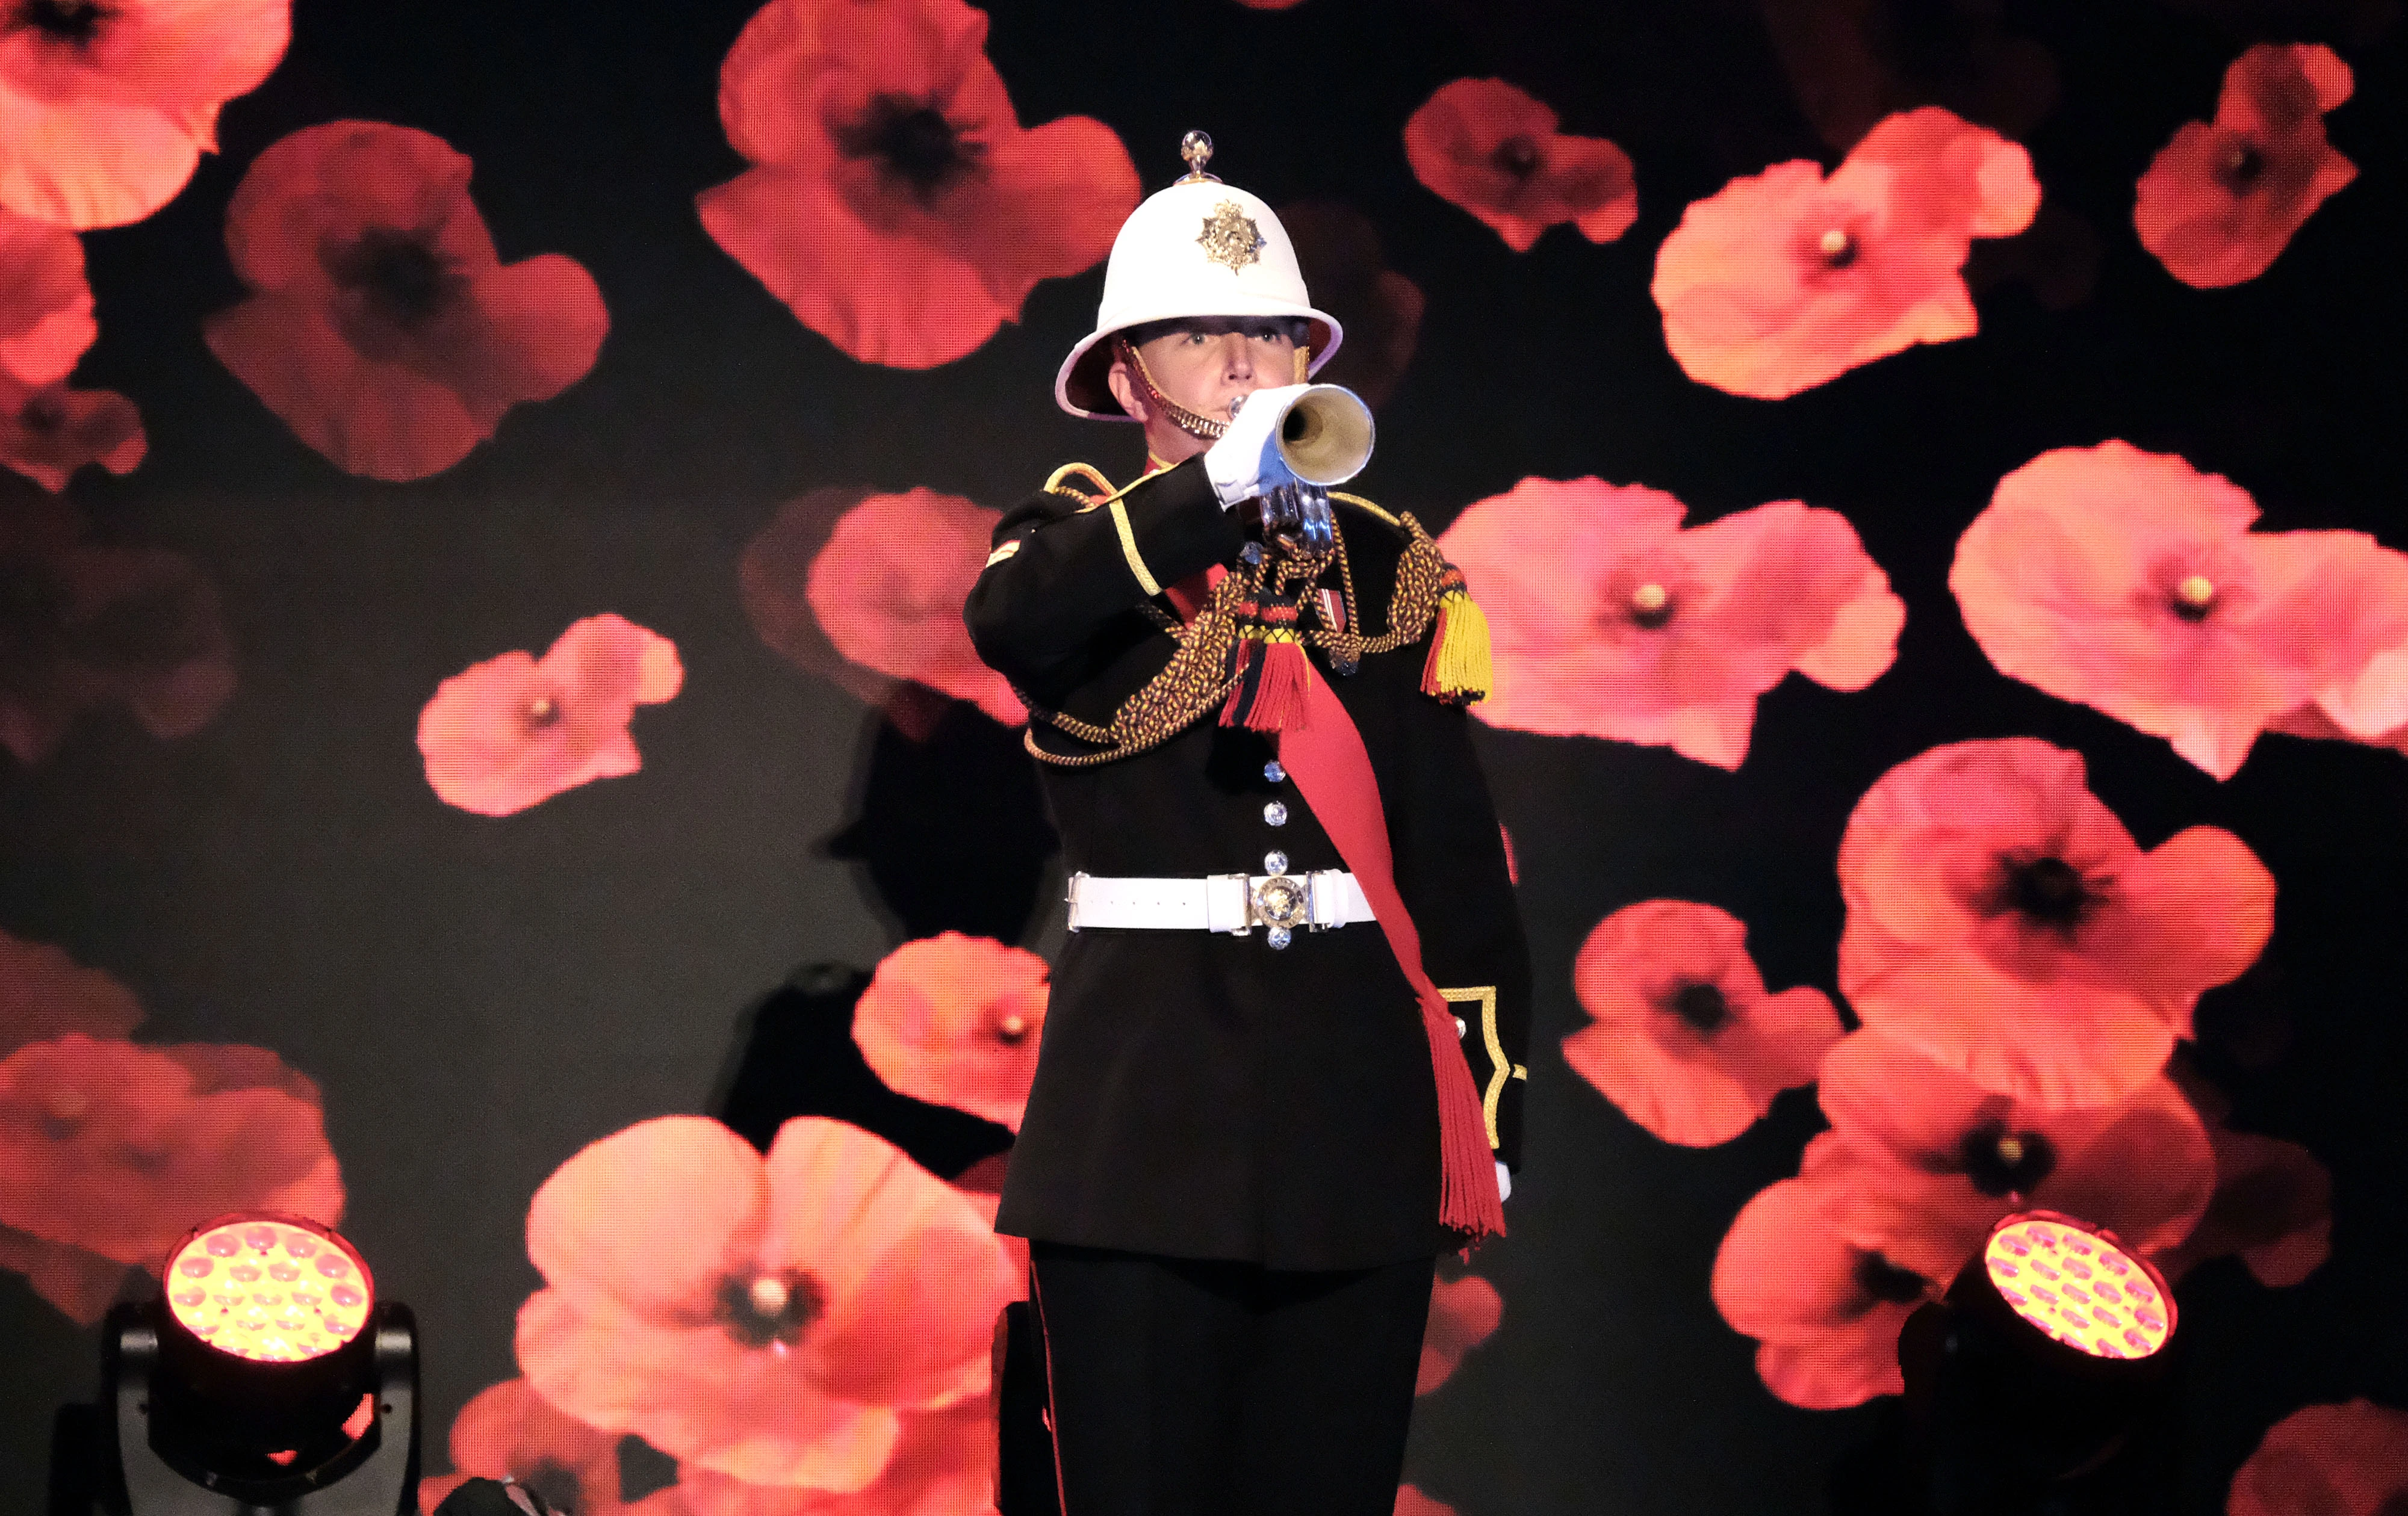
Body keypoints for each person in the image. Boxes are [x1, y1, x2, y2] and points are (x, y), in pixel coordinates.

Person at [964, 133, 1531, 1516]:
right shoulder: (1070, 541)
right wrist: (1208, 491)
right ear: (1120, 375)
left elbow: (1452, 860)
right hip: (1140, 1123)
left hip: (1355, 1121)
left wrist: (1482, 1108)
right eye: (1201, 332)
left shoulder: (1388, 563)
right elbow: (1012, 624)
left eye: (1271, 332)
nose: (1243, 361)